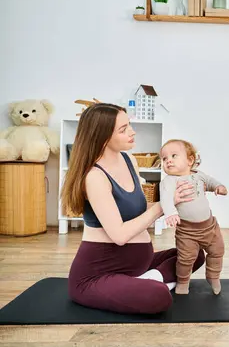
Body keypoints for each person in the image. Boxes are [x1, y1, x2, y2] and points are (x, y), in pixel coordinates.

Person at [61, 103, 203, 315]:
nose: (132, 131)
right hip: (97, 275)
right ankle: (153, 283)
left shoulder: (128, 161)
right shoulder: (95, 177)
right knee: (159, 297)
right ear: (102, 136)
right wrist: (162, 207)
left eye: (129, 125)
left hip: (139, 265)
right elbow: (119, 235)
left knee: (194, 254)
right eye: (123, 129)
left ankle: (147, 279)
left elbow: (137, 208)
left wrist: (174, 202)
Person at [159, 139, 227, 295]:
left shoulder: (199, 175)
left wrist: (219, 187)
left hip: (210, 227)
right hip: (187, 232)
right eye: (164, 158)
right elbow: (166, 198)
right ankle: (183, 281)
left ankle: (213, 276)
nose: (168, 160)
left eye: (174, 156)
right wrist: (170, 213)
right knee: (185, 258)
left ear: (190, 160)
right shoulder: (169, 181)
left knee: (217, 251)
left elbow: (210, 182)